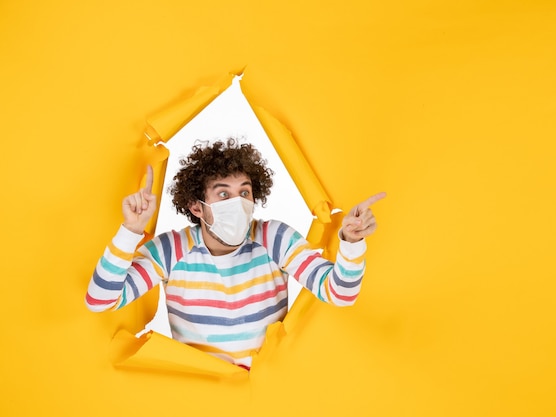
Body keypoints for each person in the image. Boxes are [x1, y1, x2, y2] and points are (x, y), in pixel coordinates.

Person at [85, 139, 385, 369]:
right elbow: (100, 300)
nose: (238, 202)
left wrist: (350, 240)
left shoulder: (273, 238)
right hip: (200, 394)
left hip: (267, 392)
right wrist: (131, 230)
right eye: (224, 194)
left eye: (245, 192)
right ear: (197, 207)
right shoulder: (171, 249)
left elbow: (339, 294)